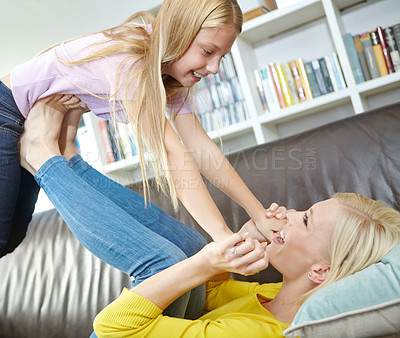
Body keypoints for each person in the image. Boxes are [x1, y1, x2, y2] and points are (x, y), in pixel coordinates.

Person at [19, 98, 400, 337]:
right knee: (190, 247)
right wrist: (238, 240)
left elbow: (113, 327)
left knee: (170, 261)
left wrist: (204, 264)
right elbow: (211, 295)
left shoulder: (257, 333)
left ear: (320, 272)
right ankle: (69, 159)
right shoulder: (269, 295)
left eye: (305, 220)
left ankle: (42, 161)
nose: (291, 212)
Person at [0, 0, 279, 258]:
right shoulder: (133, 61)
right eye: (208, 52)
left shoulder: (169, 73)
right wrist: (223, 237)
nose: (215, 68)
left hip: (24, 122)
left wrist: (260, 214)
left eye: (223, 56)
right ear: (178, 33)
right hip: (6, 112)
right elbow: (174, 155)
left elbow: (201, 147)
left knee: (12, 237)